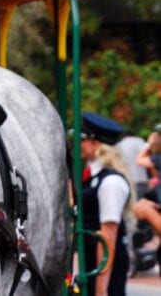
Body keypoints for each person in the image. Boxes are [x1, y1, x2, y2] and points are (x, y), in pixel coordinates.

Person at [80, 112, 135, 296]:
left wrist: (100, 291)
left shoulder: (110, 182)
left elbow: (107, 238)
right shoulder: (93, 177)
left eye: (83, 139)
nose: (79, 144)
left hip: (102, 270)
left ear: (95, 144)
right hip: (90, 264)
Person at [115, 133, 149, 198]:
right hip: (141, 181)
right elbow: (149, 153)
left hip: (126, 182)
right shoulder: (138, 141)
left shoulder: (119, 145)